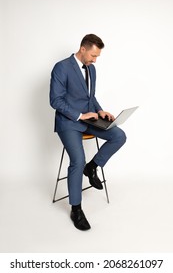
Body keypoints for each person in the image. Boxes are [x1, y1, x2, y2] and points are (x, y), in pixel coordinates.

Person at [50, 34, 126, 231]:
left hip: (90, 118)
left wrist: (100, 111)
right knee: (77, 160)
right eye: (93, 55)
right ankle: (76, 209)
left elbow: (89, 97)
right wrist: (79, 116)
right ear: (83, 49)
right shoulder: (61, 67)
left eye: (97, 57)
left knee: (119, 136)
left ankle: (92, 167)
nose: (94, 60)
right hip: (69, 122)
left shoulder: (92, 69)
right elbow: (55, 101)